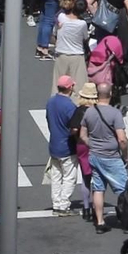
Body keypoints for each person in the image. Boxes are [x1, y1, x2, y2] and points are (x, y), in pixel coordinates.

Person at [75, 81, 128, 232]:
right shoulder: (115, 113)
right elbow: (122, 139)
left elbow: (82, 135)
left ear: (97, 95)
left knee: (98, 188)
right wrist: (125, 155)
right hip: (111, 156)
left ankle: (100, 222)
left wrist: (92, 144)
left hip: (95, 155)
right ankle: (127, 221)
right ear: (110, 94)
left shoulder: (89, 112)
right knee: (123, 189)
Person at [45, 76, 81, 213]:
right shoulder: (70, 106)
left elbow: (49, 120)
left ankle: (56, 202)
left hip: (54, 144)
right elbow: (74, 127)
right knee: (69, 177)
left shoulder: (51, 102)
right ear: (69, 88)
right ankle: (64, 204)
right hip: (67, 146)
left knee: (56, 176)